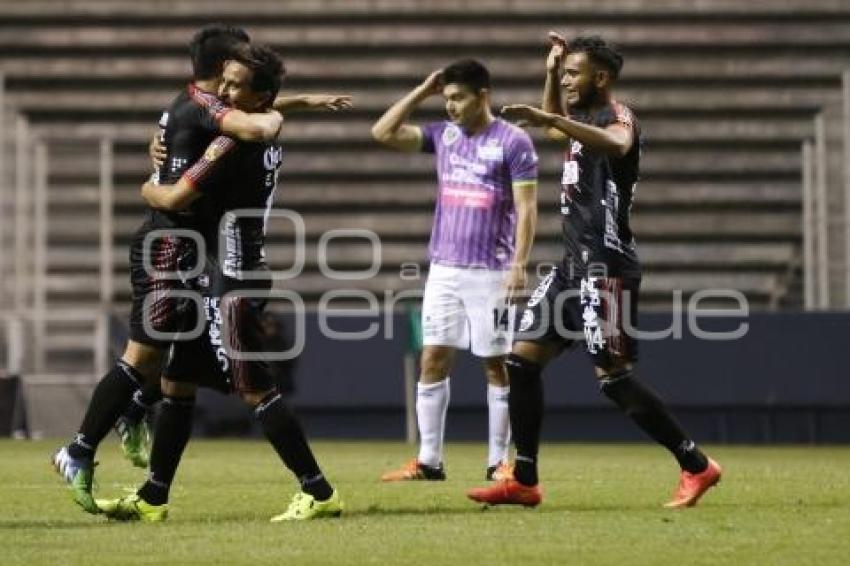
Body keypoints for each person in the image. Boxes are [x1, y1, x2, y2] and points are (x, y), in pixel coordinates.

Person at [51, 24, 351, 515]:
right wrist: (304, 103)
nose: (224, 93)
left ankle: (319, 491)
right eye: (224, 82)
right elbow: (266, 114)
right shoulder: (258, 122)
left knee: (255, 389)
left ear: (257, 99)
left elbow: (172, 196)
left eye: (235, 86)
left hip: (235, 279)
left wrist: (146, 184)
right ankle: (153, 497)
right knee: (177, 382)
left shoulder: (229, 143)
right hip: (224, 272)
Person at [466, 34, 722, 509]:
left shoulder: (616, 116)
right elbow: (555, 131)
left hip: (607, 264)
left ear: (600, 78)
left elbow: (619, 144)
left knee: (613, 378)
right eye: (563, 75)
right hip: (571, 265)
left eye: (573, 74)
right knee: (520, 362)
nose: (566, 80)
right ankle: (524, 479)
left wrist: (550, 115)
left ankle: (696, 465)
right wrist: (548, 77)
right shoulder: (579, 118)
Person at [372, 60, 539, 481]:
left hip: (492, 272)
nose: (450, 107)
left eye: (458, 98)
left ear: (483, 95)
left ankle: (499, 462)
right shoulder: (444, 136)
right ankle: (429, 461)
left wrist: (519, 264)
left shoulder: (513, 142)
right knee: (433, 358)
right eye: (446, 99)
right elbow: (382, 132)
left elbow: (527, 207)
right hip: (444, 269)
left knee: (496, 364)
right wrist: (421, 90)